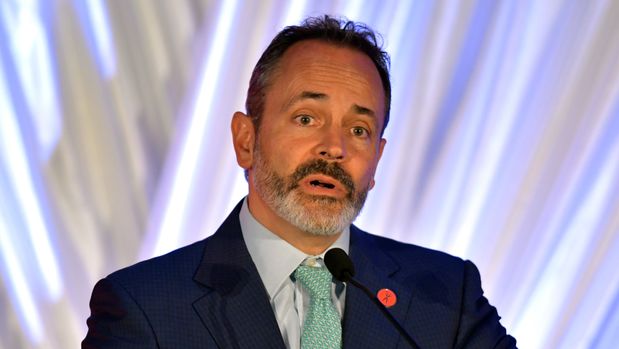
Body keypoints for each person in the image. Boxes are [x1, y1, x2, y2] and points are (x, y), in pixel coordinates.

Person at [82, 15, 517, 348]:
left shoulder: (444, 297)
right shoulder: (144, 307)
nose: (334, 148)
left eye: (359, 130)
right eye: (307, 119)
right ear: (245, 140)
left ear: (377, 159)